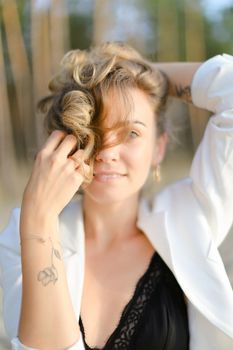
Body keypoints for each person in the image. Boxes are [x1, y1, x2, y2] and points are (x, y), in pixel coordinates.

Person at [0, 41, 233, 350]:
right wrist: (39, 220)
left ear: (158, 148)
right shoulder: (23, 236)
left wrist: (142, 74)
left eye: (132, 133)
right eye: (93, 130)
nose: (107, 152)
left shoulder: (191, 218)